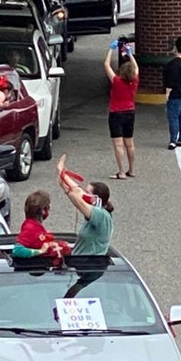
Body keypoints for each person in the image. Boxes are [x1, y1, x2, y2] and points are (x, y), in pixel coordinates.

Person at [57, 154, 114, 255]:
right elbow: (77, 191)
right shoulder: (98, 209)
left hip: (90, 264)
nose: (84, 193)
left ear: (96, 198)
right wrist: (62, 173)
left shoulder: (101, 215)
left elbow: (79, 202)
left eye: (88, 192)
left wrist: (66, 189)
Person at [103, 41, 139, 180]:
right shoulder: (134, 81)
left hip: (116, 113)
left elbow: (106, 65)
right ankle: (132, 169)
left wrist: (111, 49)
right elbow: (136, 67)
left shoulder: (117, 81)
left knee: (118, 144)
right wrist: (130, 54)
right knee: (129, 143)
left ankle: (121, 171)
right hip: (130, 112)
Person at [12, 190, 70, 263]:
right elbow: (17, 250)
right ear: (43, 210)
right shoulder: (30, 228)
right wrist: (40, 251)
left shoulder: (34, 225)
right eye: (48, 207)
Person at [163, 36, 181, 150]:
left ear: (176, 48)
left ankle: (173, 140)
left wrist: (167, 95)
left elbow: (170, 82)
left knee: (173, 117)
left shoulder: (173, 64)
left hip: (176, 93)